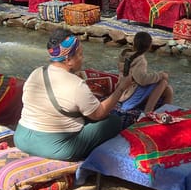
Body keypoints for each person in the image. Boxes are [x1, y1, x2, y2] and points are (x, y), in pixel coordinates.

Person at [14, 29, 133, 161]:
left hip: (22, 138)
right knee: (113, 121)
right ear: (69, 59)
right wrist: (121, 88)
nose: (82, 58)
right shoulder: (76, 85)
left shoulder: (36, 72)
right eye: (80, 55)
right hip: (56, 148)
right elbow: (99, 114)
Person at [117, 32, 174, 114]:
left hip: (123, 91)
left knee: (168, 90)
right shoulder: (140, 60)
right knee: (163, 82)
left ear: (134, 43)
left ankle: (165, 112)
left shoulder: (126, 55)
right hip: (130, 95)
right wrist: (160, 75)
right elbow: (142, 80)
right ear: (149, 46)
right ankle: (148, 111)